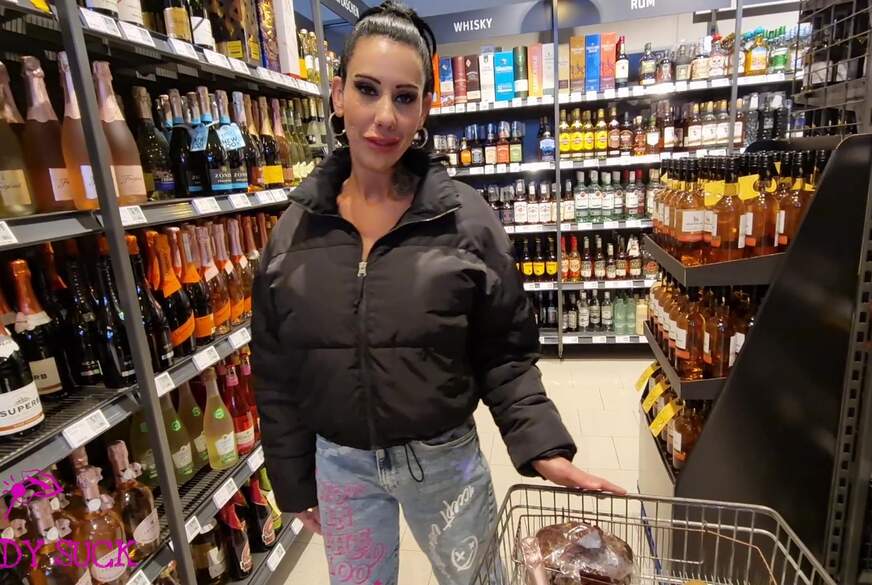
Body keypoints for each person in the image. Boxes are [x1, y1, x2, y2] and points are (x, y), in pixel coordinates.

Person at [250, 3, 624, 584]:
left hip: (445, 461)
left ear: (426, 108)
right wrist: (294, 480)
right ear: (338, 94)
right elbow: (276, 372)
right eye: (367, 89)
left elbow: (505, 351)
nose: (385, 116)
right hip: (342, 467)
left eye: (405, 97)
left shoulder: (466, 220)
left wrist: (543, 447)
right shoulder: (294, 233)